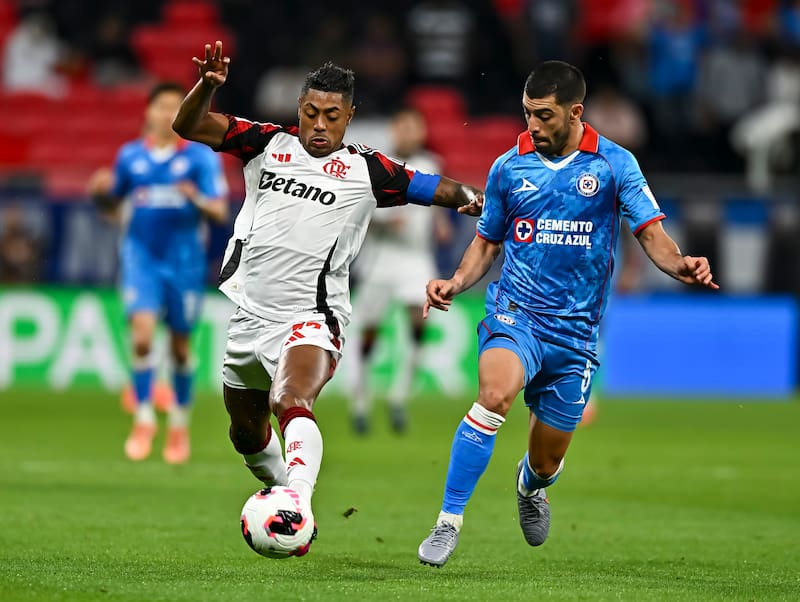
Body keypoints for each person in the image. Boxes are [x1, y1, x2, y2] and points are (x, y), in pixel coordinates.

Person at [171, 41, 483, 543]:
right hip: (249, 316)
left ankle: (295, 503)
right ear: (299, 109)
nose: (320, 125)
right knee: (246, 435)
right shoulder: (265, 143)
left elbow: (436, 188)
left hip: (312, 316)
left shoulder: (368, 170)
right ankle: (289, 501)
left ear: (350, 116)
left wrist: (479, 201)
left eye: (332, 116)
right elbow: (187, 127)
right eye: (311, 113)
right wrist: (206, 86)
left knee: (291, 399)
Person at [416, 60, 718, 567]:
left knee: (547, 459)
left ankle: (530, 486)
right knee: (492, 396)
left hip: (576, 335)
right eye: (526, 113)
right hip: (517, 314)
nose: (531, 124)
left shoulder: (614, 164)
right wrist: (456, 281)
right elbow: (486, 243)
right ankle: (448, 522)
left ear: (575, 112)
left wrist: (680, 264)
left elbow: (650, 233)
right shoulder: (509, 166)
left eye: (543, 115)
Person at [88, 82, 229, 465]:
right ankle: (145, 417)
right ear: (147, 113)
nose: (167, 114)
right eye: (161, 107)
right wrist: (98, 191)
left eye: (174, 107)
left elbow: (219, 212)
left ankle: (179, 425)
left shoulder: (200, 159)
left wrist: (195, 197)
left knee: (181, 348)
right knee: (143, 338)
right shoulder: (130, 157)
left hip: (184, 265)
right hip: (141, 260)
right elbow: (111, 200)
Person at [349, 107, 452, 435]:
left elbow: (436, 200)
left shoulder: (432, 164)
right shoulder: (377, 165)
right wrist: (384, 219)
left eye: (414, 128)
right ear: (394, 131)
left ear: (421, 132)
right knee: (369, 331)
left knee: (419, 324)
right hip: (381, 257)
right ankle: (361, 399)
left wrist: (441, 222)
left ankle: (398, 397)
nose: (408, 134)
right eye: (403, 127)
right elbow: (358, 208)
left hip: (416, 259)